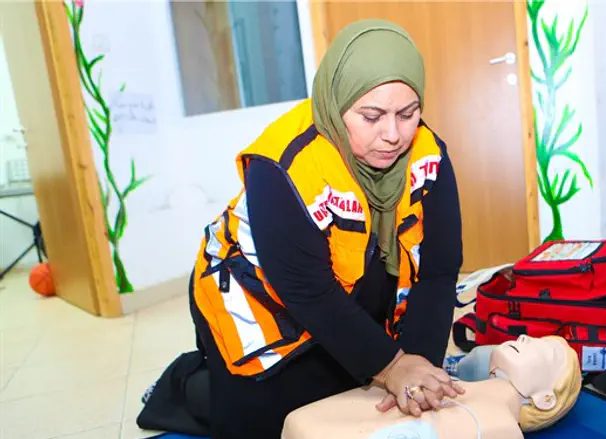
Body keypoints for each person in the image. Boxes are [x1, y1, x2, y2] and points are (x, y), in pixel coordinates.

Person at [188, 18, 465, 438]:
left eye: (408, 114)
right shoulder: (280, 165)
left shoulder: (429, 154)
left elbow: (440, 270)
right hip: (256, 295)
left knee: (357, 397)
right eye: (371, 116)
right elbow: (305, 288)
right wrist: (391, 365)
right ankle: (182, 385)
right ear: (337, 104)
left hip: (343, 289)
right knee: (274, 420)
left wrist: (416, 368)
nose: (392, 135)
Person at [281, 335, 583, 439]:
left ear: (545, 399)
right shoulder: (436, 378)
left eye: (545, 352)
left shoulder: (500, 427)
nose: (526, 339)